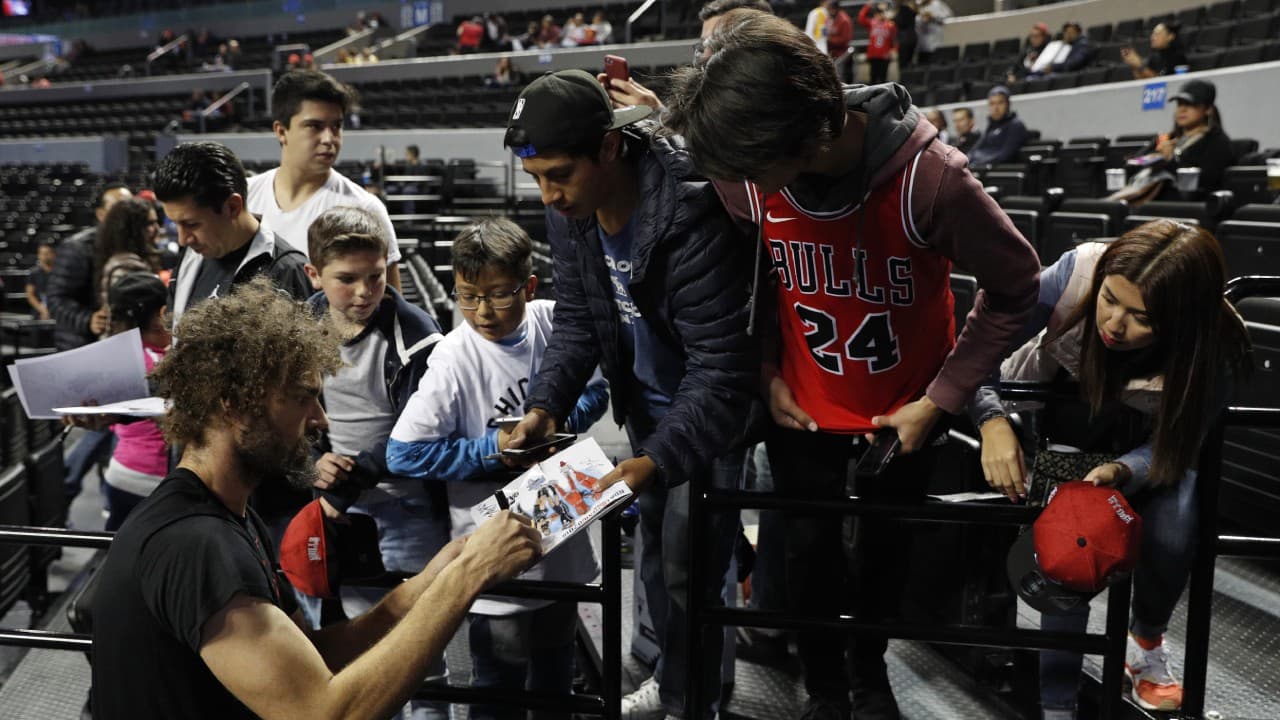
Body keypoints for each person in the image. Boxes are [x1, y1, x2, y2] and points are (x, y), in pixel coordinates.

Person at [662, 11, 1040, 719]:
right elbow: (756, 271)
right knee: (805, 554)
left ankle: (871, 674)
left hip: (907, 412)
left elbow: (1017, 286)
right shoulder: (749, 173)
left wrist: (945, 397)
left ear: (806, 137)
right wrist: (768, 367)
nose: (737, 184)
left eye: (750, 167)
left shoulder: (933, 180)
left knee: (886, 555)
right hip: (800, 402)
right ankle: (825, 685)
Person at [90, 277, 542, 720]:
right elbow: (323, 712)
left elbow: (312, 656)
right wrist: (467, 576)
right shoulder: (195, 544)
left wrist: (433, 580)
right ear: (235, 405)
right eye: (303, 399)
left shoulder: (229, 514)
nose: (320, 420)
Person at [503, 69, 760, 720]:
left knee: (692, 563)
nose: (549, 195)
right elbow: (582, 320)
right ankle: (662, 666)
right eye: (537, 179)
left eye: (559, 174)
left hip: (710, 411)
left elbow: (722, 369)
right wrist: (545, 406)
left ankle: (693, 700)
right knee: (654, 553)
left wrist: (653, 461)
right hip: (644, 403)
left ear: (610, 147)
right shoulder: (574, 206)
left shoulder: (689, 208)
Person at [969, 221, 1251, 718]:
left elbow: (1178, 446)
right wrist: (992, 420)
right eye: (1110, 300)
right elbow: (974, 355)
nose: (1115, 324)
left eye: (1140, 317)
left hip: (1148, 451)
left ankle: (1145, 644)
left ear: (1181, 320)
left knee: (1173, 529)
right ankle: (1057, 708)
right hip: (1071, 433)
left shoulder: (1217, 348)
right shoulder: (1073, 277)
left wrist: (1124, 471)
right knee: (1068, 554)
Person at [386, 217, 609, 720]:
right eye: (467, 296)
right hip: (492, 537)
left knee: (555, 662)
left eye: (499, 295)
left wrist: (555, 423)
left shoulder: (555, 324)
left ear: (529, 286)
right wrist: (493, 451)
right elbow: (404, 452)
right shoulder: (453, 357)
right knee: (498, 681)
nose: (482, 311)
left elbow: (597, 390)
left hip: (560, 517)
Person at [301, 206, 451, 716]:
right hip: (336, 514)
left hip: (407, 510)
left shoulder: (417, 333)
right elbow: (282, 415)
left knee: (420, 660)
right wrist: (311, 464)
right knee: (354, 655)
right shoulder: (297, 329)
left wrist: (347, 481)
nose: (365, 292)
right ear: (313, 274)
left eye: (377, 276)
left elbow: (418, 428)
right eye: (347, 280)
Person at [245, 70, 402, 291]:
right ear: (281, 131)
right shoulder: (244, 197)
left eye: (336, 126)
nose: (329, 139)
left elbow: (392, 308)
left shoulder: (364, 208)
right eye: (315, 126)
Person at [152, 142, 310, 326]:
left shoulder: (287, 271)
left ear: (232, 207)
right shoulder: (190, 259)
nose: (182, 239)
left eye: (192, 224)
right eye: (175, 224)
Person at [597, 0, 773, 113]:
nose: (705, 55)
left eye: (716, 43)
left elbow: (708, 162)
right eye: (703, 45)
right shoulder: (700, 97)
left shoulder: (772, 104)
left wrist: (655, 116)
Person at [100, 272, 171, 531]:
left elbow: (112, 424)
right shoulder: (175, 357)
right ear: (163, 311)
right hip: (156, 480)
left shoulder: (116, 357)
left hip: (122, 473)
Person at [47, 182, 132, 350]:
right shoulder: (77, 247)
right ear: (101, 214)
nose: (126, 213)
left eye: (130, 207)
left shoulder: (136, 244)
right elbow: (56, 299)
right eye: (118, 208)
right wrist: (88, 319)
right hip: (81, 345)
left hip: (120, 343)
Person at [1147, 80, 1232, 202]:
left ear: (1208, 109)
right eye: (1179, 104)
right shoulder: (1168, 138)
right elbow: (1134, 162)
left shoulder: (1217, 143)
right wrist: (1152, 158)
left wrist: (1171, 161)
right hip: (1154, 201)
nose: (1182, 109)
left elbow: (1204, 183)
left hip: (1188, 207)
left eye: (1190, 104)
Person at [94, 197, 161, 325]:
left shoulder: (125, 260)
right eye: (149, 224)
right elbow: (135, 321)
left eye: (156, 222)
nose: (156, 228)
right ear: (132, 228)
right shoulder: (126, 266)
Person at [968, 86, 1030, 168]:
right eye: (992, 104)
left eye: (1000, 103)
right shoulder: (991, 126)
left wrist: (977, 165)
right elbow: (974, 150)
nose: (996, 108)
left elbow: (1004, 156)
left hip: (998, 172)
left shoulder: (1016, 125)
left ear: (1008, 104)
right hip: (980, 168)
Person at [1122, 21, 1188, 79]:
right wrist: (1135, 65)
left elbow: (1160, 82)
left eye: (1157, 34)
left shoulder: (1177, 57)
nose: (1152, 37)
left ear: (1170, 36)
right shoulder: (1154, 56)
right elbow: (1143, 80)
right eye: (1153, 34)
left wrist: (1140, 65)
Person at [857, 2, 898, 85]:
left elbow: (895, 39)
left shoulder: (890, 25)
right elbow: (861, 18)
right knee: (873, 78)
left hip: (884, 56)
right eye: (878, 13)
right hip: (873, 55)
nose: (880, 15)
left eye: (881, 13)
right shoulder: (872, 23)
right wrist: (867, 6)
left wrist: (894, 50)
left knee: (883, 79)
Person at [824, 0, 855, 82]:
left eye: (831, 9)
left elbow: (845, 39)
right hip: (832, 53)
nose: (829, 11)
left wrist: (830, 40)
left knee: (841, 79)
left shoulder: (844, 20)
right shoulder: (829, 18)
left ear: (836, 9)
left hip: (841, 54)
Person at [24, 239, 55, 319]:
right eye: (42, 254)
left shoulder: (60, 272)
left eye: (47, 253)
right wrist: (42, 309)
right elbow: (30, 295)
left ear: (53, 254)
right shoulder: (34, 273)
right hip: (39, 311)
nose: (45, 256)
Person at [915, 0, 952, 64]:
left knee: (935, 64)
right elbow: (916, 22)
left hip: (935, 42)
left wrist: (933, 17)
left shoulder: (937, 4)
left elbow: (947, 15)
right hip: (922, 44)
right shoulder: (918, 6)